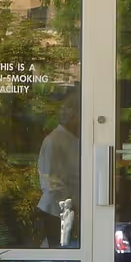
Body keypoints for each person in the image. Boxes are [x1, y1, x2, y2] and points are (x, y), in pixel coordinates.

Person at [37, 90, 83, 247]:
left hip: (68, 206)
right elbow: (50, 180)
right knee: (59, 253)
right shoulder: (54, 141)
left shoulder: (73, 140)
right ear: (72, 116)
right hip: (57, 209)